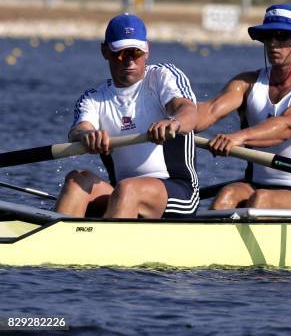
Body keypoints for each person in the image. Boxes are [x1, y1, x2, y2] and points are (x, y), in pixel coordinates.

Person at [55, 13, 199, 218]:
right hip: (121, 194)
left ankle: (102, 245)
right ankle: (54, 242)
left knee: (127, 189)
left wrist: (174, 124)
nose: (129, 61)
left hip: (177, 191)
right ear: (105, 51)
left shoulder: (162, 77)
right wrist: (86, 136)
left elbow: (189, 112)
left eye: (136, 52)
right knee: (77, 180)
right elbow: (79, 129)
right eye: (121, 53)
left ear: (147, 51)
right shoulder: (94, 98)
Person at [196, 4, 291, 210]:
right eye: (268, 37)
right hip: (254, 185)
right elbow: (209, 111)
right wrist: (174, 122)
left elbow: (285, 127)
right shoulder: (246, 82)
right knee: (227, 195)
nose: (273, 44)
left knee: (262, 200)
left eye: (282, 37)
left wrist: (239, 137)